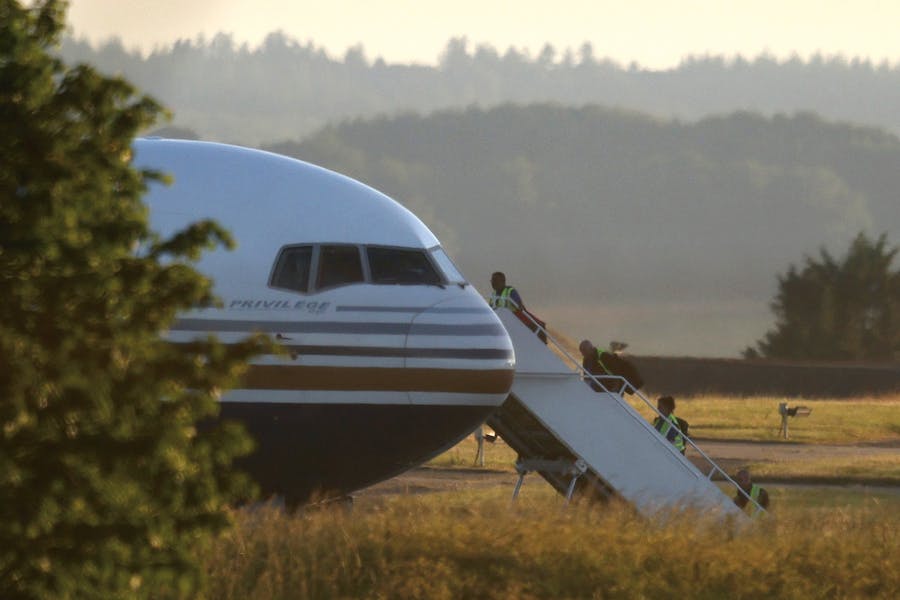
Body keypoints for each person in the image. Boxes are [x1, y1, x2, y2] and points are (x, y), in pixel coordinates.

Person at [489, 272, 548, 343]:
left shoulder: (510, 291)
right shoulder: (493, 295)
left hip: (515, 315)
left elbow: (518, 305)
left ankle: (542, 344)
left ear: (503, 281)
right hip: (500, 320)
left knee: (539, 326)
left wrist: (518, 305)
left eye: (495, 280)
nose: (493, 283)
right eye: (492, 281)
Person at [579, 339, 644, 394]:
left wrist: (615, 390)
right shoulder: (586, 360)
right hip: (599, 387)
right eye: (581, 352)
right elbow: (586, 377)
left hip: (612, 387)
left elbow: (617, 371)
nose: (582, 354)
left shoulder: (604, 355)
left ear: (591, 349)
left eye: (584, 351)